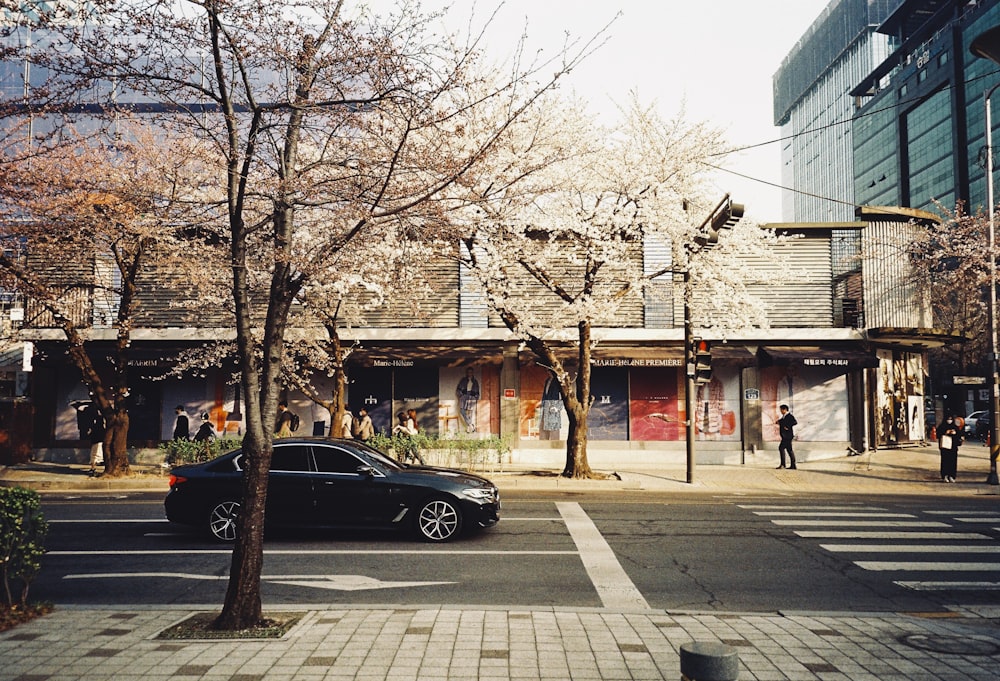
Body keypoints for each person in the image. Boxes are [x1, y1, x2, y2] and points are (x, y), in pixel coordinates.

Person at [938, 414, 962, 483]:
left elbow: (959, 435)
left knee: (953, 462)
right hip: (945, 448)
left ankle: (952, 476)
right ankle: (944, 475)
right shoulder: (942, 426)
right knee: (945, 461)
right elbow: (938, 434)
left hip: (953, 448)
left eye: (951, 419)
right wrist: (945, 432)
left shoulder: (955, 427)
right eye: (948, 419)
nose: (949, 421)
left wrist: (955, 433)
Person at [456, 367, 480, 433]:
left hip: (472, 397)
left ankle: (469, 429)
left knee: (470, 413)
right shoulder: (463, 380)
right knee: (462, 410)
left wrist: (475, 398)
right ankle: (471, 425)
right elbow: (458, 389)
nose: (470, 373)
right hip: (464, 396)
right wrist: (461, 396)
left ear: (473, 373)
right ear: (467, 373)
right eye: (468, 372)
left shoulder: (475, 381)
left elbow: (477, 391)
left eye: (471, 372)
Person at [85, 403, 105, 476]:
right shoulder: (97, 419)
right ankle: (93, 468)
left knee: (96, 454)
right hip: (98, 438)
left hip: (98, 438)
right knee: (96, 454)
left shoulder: (98, 420)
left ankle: (93, 468)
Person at [776, 404, 797, 470]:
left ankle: (783, 465)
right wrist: (778, 422)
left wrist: (787, 426)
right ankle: (793, 465)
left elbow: (795, 422)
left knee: (781, 448)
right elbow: (782, 421)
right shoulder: (784, 417)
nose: (781, 411)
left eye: (781, 410)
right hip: (785, 436)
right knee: (789, 450)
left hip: (787, 436)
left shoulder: (789, 416)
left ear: (785, 409)